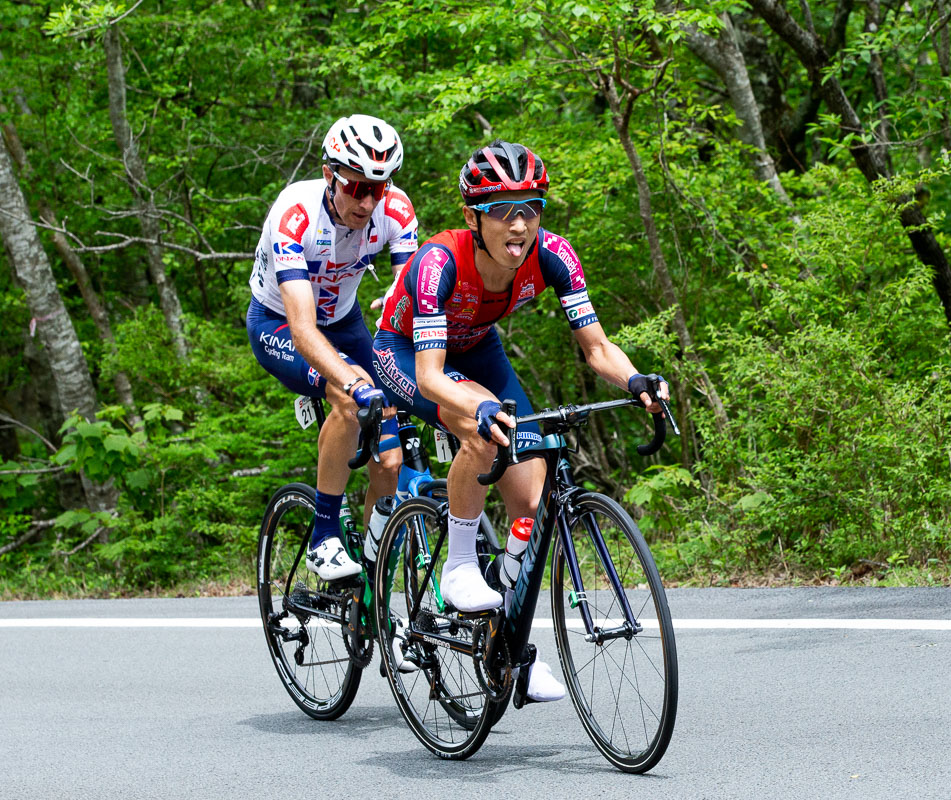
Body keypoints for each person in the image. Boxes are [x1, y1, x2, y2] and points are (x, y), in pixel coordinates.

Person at [372, 140, 670, 701]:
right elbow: (435, 378)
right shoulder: (439, 262)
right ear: (472, 216)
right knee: (480, 428)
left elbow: (597, 347)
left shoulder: (554, 254)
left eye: (530, 208)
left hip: (478, 345)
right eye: (503, 211)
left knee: (531, 500)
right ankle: (458, 566)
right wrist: (475, 408)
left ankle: (506, 642)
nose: (519, 225)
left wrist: (636, 381)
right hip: (408, 354)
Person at [247, 114, 418, 581]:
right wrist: (348, 379)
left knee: (392, 446)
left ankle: (374, 580)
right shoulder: (295, 215)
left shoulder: (396, 212)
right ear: (329, 174)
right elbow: (302, 328)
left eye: (378, 189)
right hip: (279, 324)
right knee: (350, 394)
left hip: (345, 324)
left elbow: (411, 301)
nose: (367, 202)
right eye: (356, 187)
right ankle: (323, 537)